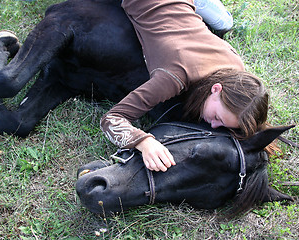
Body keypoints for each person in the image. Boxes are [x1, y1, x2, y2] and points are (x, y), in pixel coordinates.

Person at [100, 0, 269, 172]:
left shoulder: (236, 66)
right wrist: (143, 141)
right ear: (216, 89)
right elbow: (111, 119)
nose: (213, 125)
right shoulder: (174, 77)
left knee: (225, 23)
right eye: (217, 117)